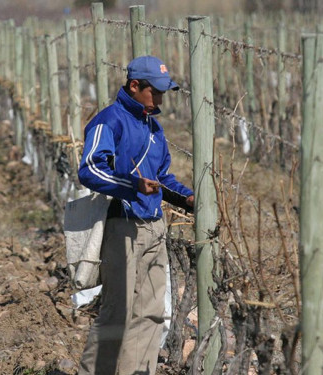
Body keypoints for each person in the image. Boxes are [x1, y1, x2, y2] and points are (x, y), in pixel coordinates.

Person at [77, 55, 194, 375]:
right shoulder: (109, 121)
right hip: (121, 225)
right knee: (118, 312)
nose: (159, 99)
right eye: (154, 92)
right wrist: (131, 186)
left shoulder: (153, 126)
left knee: (153, 314)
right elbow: (89, 169)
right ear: (134, 86)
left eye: (163, 92)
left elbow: (162, 177)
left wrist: (188, 197)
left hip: (154, 226)